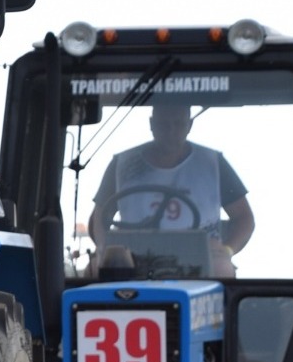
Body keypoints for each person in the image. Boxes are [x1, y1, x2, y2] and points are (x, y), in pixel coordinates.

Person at [86, 101, 256, 277]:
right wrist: (103, 249)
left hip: (199, 255)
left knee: (221, 268)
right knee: (93, 269)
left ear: (189, 125)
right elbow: (98, 217)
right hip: (134, 255)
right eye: (163, 125)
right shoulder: (122, 164)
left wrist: (226, 250)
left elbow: (244, 218)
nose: (171, 131)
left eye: (178, 124)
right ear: (152, 125)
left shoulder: (213, 162)